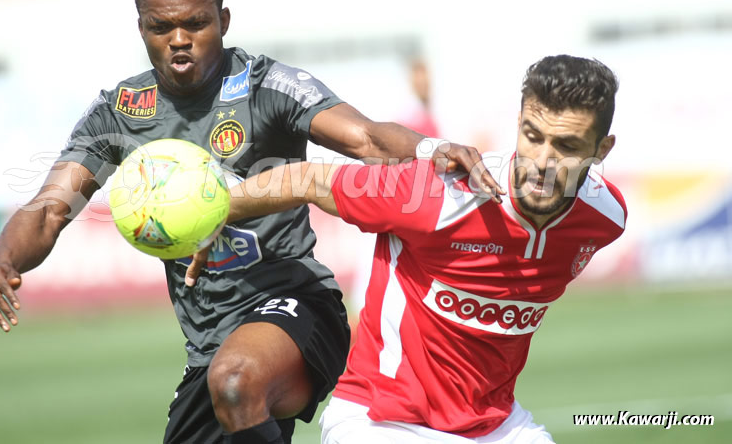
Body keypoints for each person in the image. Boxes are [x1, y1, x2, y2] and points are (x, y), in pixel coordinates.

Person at [0, 0, 503, 444]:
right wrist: (3, 259)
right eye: (161, 27)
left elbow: (363, 136)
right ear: (141, 28)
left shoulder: (268, 85)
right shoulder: (118, 113)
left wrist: (429, 148)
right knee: (225, 379)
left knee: (236, 380)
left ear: (223, 22)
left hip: (298, 307)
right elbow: (48, 209)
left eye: (196, 23)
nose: (179, 38)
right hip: (207, 342)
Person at [214, 55, 627, 443]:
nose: (543, 161)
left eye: (567, 147)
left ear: (601, 150)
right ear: (518, 123)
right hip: (382, 421)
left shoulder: (606, 217)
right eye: (533, 137)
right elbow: (308, 180)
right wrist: (215, 216)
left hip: (497, 425)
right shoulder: (443, 193)